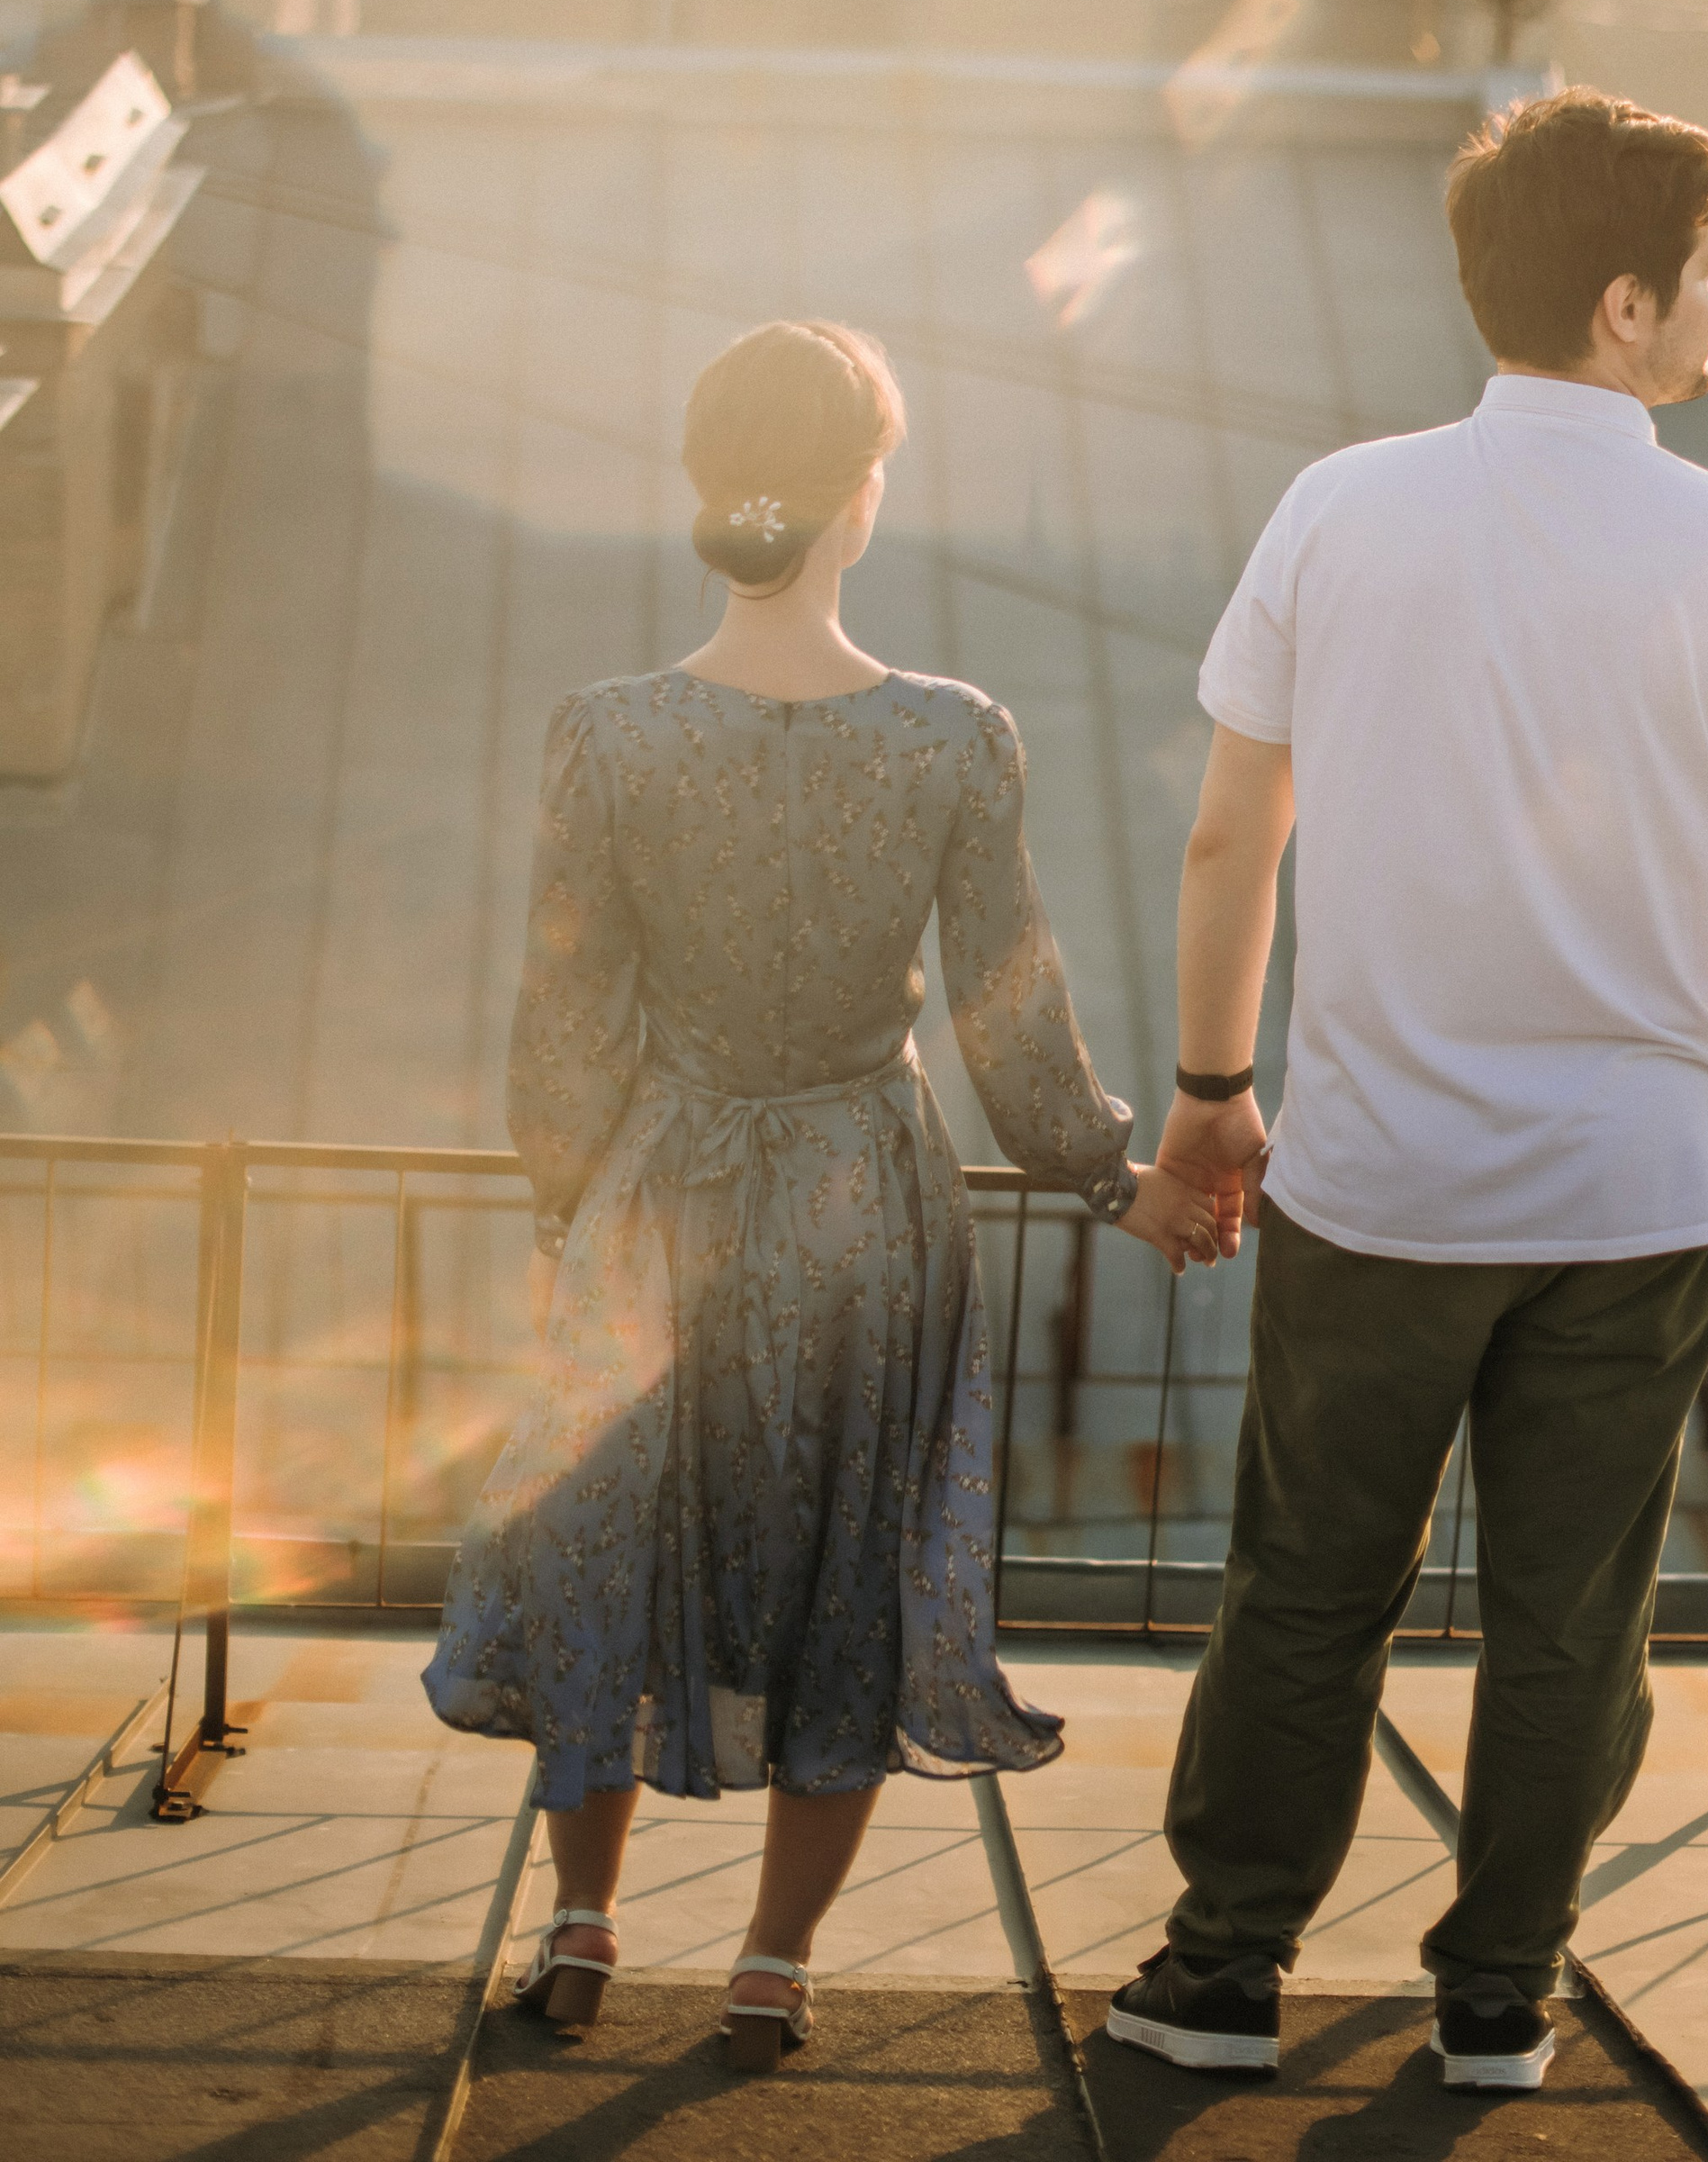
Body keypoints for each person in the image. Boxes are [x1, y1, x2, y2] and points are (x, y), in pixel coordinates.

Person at [1106, 89, 1708, 2094]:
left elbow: (1224, 845)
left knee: (1303, 1592)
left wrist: (1209, 1089)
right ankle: (1493, 1994)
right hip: (1634, 1202)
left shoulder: (1337, 509)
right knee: (1570, 1620)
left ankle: (1216, 1974)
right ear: (1624, 306)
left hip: (1370, 1185)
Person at [424, 319, 1212, 2069]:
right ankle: (772, 1967)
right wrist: (1114, 1177)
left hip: (660, 1200)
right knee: (856, 1565)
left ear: (712, 493)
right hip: (868, 1202)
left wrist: (574, 1203)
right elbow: (1011, 1010)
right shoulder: (949, 739)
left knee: (605, 1546)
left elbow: (562, 1017)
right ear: (862, 502)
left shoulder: (608, 736)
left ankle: (580, 1927)